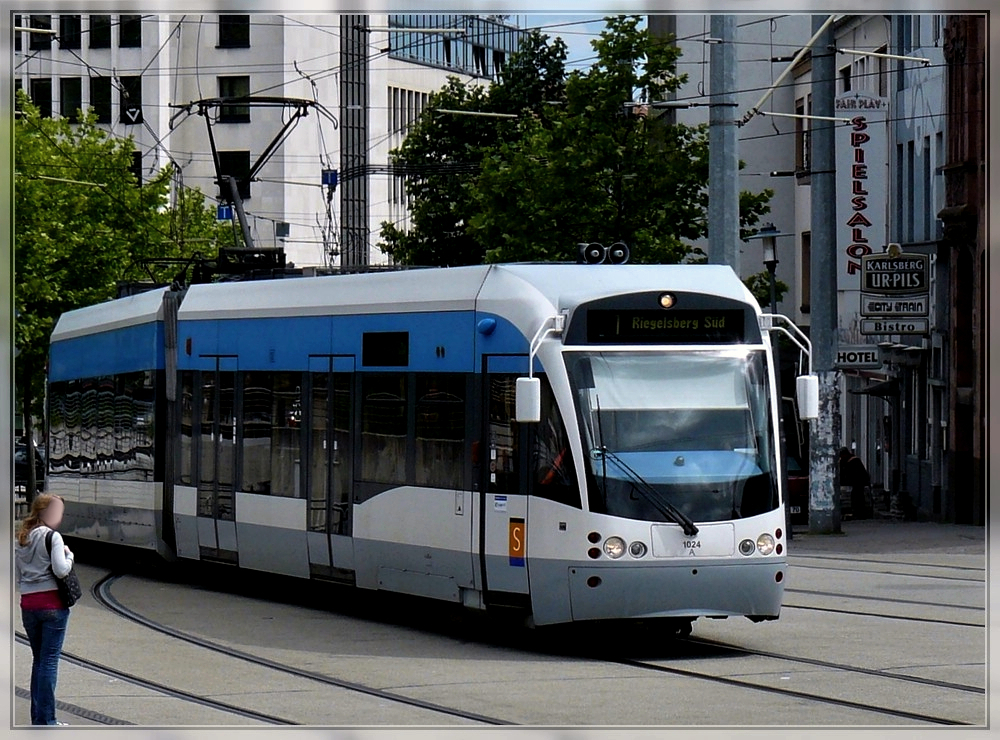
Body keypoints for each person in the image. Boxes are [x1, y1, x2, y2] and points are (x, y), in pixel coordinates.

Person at [15, 494, 74, 726]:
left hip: (29, 606)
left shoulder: (23, 538)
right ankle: (46, 720)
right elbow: (61, 570)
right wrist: (70, 557)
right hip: (52, 605)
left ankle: (38, 718)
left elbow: (17, 574)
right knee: (49, 662)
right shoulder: (53, 537)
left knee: (38, 661)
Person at [839, 447, 872, 519]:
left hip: (858, 482)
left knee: (857, 496)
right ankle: (859, 512)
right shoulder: (853, 460)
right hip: (858, 482)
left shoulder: (852, 461)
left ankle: (858, 512)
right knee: (858, 495)